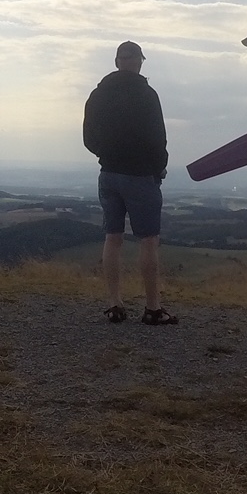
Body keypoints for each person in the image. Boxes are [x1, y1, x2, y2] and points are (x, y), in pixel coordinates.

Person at [83, 40, 176, 324]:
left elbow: (89, 139)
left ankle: (114, 304)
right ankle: (153, 308)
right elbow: (158, 138)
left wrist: (106, 155)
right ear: (139, 62)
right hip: (140, 175)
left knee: (113, 238)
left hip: (108, 174)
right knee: (148, 240)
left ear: (116, 62)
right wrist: (158, 168)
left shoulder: (97, 95)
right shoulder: (147, 94)